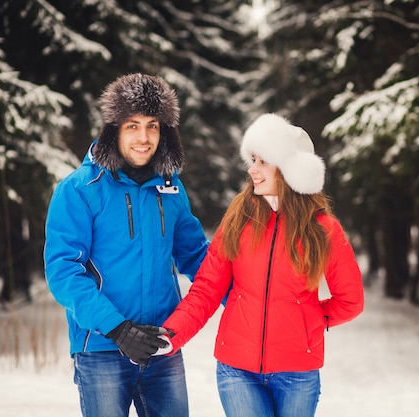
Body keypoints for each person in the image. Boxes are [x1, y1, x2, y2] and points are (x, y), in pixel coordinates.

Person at [162, 113, 365, 417]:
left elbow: (351, 301)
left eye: (262, 161)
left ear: (290, 169)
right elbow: (207, 289)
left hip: (297, 372)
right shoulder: (239, 217)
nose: (252, 170)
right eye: (252, 160)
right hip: (237, 369)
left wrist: (307, 320)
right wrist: (170, 334)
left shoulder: (323, 228)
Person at [44, 73, 209, 417]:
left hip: (162, 347)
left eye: (153, 125)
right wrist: (118, 329)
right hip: (102, 348)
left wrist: (247, 289)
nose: (143, 137)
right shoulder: (79, 189)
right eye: (132, 126)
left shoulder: (171, 189)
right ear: (114, 129)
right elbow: (63, 271)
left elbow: (197, 257)